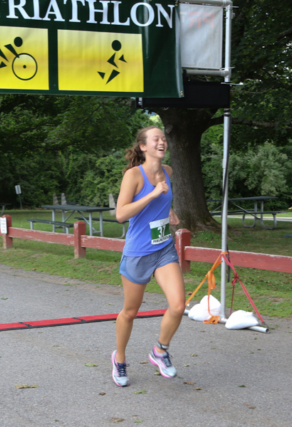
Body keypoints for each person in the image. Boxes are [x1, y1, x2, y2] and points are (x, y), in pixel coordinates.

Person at [111, 126, 184, 387]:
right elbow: (120, 214)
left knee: (178, 305)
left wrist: (170, 211)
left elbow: (163, 199)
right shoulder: (134, 175)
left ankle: (160, 351)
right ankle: (119, 358)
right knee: (130, 312)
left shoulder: (168, 172)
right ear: (143, 146)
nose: (162, 141)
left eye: (164, 138)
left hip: (163, 248)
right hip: (138, 253)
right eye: (157, 139)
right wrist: (153, 194)